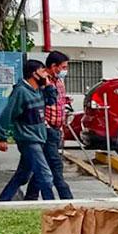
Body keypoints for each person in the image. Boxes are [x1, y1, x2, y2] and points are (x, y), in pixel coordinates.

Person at [0, 60, 55, 201]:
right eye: (43, 71)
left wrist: (48, 86)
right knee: (46, 176)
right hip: (29, 140)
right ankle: (52, 207)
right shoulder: (21, 92)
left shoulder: (39, 91)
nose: (46, 74)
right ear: (34, 74)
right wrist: (3, 137)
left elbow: (51, 101)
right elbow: (6, 115)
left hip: (39, 138)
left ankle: (1, 203)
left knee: (22, 176)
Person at [26, 51, 73, 200]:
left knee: (42, 166)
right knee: (55, 166)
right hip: (46, 129)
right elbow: (39, 104)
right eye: (63, 67)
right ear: (54, 66)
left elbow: (58, 101)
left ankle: (31, 197)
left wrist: (65, 102)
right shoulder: (42, 82)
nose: (65, 70)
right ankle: (67, 199)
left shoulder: (59, 81)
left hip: (56, 128)